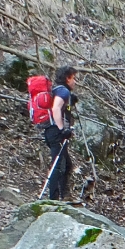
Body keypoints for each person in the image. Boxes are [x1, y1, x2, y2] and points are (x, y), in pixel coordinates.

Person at [43, 66, 77, 201]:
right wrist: (62, 129)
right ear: (68, 78)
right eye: (73, 78)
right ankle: (54, 198)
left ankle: (64, 195)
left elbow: (62, 108)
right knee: (57, 165)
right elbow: (56, 108)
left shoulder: (57, 90)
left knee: (66, 164)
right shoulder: (63, 91)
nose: (75, 81)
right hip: (56, 132)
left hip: (51, 131)